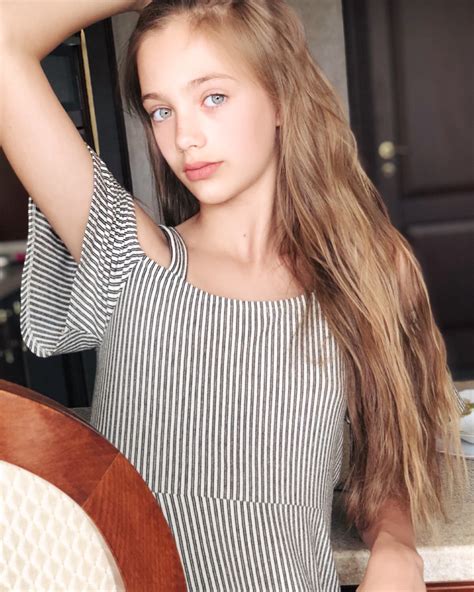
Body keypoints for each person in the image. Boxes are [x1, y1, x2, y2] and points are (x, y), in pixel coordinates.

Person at [0, 1, 468, 590]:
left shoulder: (365, 275)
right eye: (161, 110)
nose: (185, 137)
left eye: (213, 97)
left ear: (281, 96)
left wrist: (398, 549)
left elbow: (383, 457)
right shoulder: (130, 257)